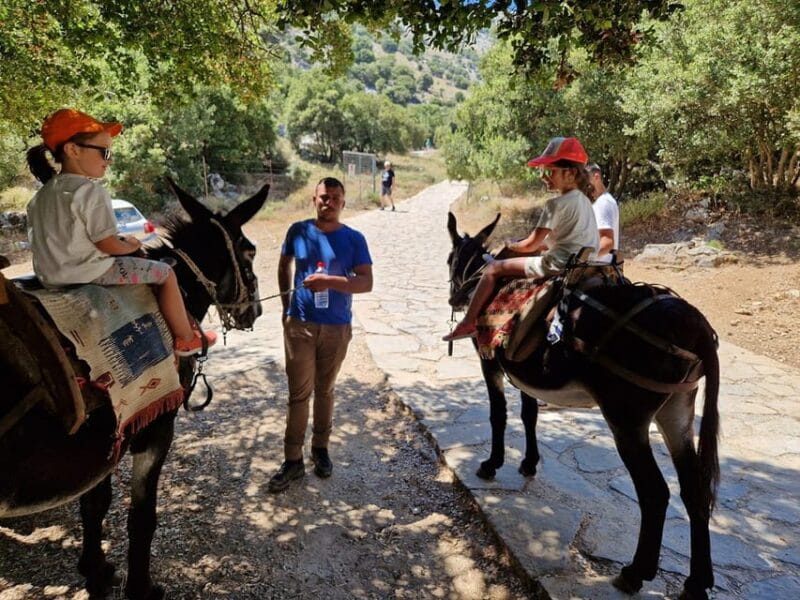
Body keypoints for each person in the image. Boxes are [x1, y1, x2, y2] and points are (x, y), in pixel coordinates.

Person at [25, 108, 216, 356]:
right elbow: (108, 245)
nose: (109, 159)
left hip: (50, 278)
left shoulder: (40, 197)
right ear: (73, 150)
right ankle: (186, 338)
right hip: (90, 273)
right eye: (104, 152)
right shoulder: (91, 192)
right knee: (166, 273)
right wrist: (132, 245)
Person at [269, 177, 373, 492]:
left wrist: (330, 281)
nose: (329, 203)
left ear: (343, 202)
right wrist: (287, 307)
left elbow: (365, 282)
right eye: (324, 197)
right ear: (314, 199)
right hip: (299, 324)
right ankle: (292, 461)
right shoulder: (298, 232)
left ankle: (321, 450)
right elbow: (283, 264)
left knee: (325, 390)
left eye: (335, 198)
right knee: (298, 394)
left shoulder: (354, 239)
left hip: (337, 326)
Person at [443, 137, 599, 341]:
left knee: (493, 269)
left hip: (558, 264)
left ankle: (468, 322)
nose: (544, 177)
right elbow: (569, 237)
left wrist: (510, 244)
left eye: (550, 171)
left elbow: (530, 244)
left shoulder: (555, 204)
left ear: (569, 173)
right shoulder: (585, 201)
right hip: (585, 262)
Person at [586, 163, 620, 262]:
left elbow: (607, 241)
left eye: (586, 180)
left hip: (598, 267)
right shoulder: (600, 202)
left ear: (596, 177)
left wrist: (585, 258)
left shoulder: (603, 203)